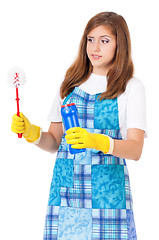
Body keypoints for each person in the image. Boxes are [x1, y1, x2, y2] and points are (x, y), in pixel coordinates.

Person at [11, 11, 147, 240]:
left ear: (119, 45)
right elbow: (54, 142)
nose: (95, 47)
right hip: (66, 192)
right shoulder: (70, 84)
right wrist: (31, 133)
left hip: (109, 196)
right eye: (90, 39)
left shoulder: (130, 87)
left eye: (104, 41)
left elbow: (136, 150)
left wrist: (98, 141)